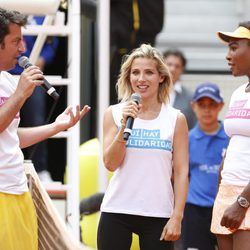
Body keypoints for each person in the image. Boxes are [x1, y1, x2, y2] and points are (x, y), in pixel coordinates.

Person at [0, 8, 90, 250]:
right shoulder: (15, 87)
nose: (22, 50)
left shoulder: (8, 81)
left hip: (16, 188)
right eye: (16, 41)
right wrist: (20, 95)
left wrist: (55, 126)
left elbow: (10, 136)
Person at [97, 44, 189, 250]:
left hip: (158, 213)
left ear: (161, 77)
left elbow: (182, 171)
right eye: (135, 72)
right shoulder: (113, 113)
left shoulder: (176, 118)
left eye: (149, 72)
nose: (141, 79)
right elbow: (110, 164)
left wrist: (177, 216)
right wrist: (124, 125)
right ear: (128, 77)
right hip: (117, 210)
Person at [210, 21, 250, 250]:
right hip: (227, 191)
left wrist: (242, 202)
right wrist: (221, 193)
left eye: (234, 48)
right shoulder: (236, 93)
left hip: (246, 196)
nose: (228, 55)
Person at [9, 15, 59, 182]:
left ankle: (41, 168)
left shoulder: (42, 12)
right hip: (9, 73)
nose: (21, 47)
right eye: (17, 42)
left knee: (36, 120)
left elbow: (52, 42)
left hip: (31, 74)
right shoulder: (8, 10)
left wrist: (43, 59)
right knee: (10, 122)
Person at [182, 83, 229, 250]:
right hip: (195, 211)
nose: (207, 110)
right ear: (193, 106)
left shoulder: (232, 137)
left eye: (212, 105)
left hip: (226, 209)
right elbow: (180, 176)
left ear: (221, 106)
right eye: (202, 105)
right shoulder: (186, 139)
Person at [163, 49, 196, 129]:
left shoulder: (190, 97)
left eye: (177, 66)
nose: (172, 69)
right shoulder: (151, 92)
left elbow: (193, 125)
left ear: (182, 70)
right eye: (169, 64)